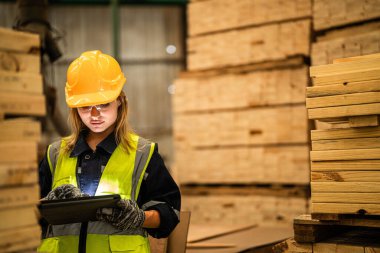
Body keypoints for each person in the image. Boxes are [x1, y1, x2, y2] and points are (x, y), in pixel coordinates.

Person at [37, 50, 181, 253]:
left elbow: (170, 213)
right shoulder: (54, 155)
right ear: (74, 107)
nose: (95, 115)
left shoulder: (143, 154)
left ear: (120, 101)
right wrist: (47, 206)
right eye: (86, 107)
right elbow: (25, 216)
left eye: (104, 104)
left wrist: (140, 217)